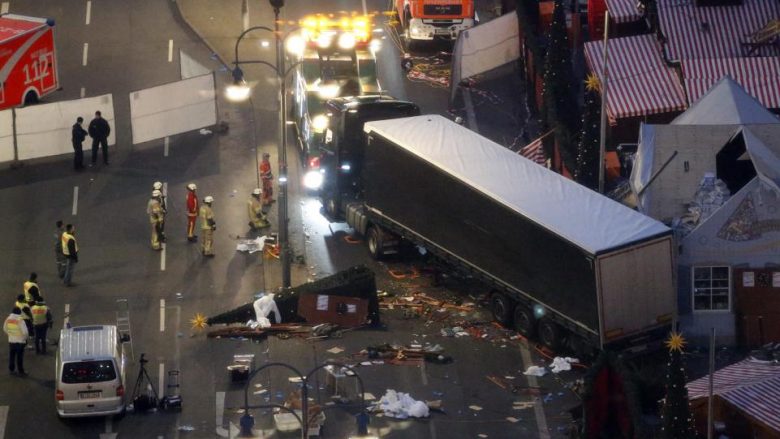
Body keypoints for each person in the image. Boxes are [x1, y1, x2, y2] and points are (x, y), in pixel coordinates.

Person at [4, 307, 28, 375]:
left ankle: (11, 369)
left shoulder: (8, 319)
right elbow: (25, 332)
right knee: (19, 357)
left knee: (12, 355)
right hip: (20, 342)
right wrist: (24, 339)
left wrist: (10, 334)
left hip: (11, 341)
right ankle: (21, 371)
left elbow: (4, 328)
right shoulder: (20, 320)